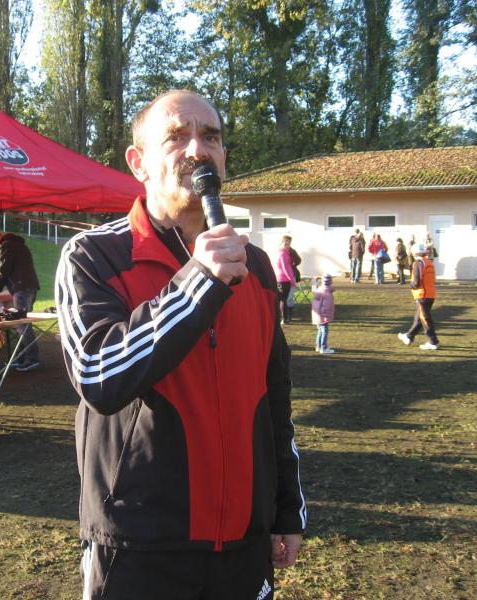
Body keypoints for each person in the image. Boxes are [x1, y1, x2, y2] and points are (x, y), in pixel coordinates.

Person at [55, 90, 306, 600]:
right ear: (138, 163)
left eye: (211, 137)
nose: (197, 149)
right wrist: (199, 282)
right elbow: (98, 376)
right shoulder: (93, 256)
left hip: (243, 541)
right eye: (176, 136)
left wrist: (286, 509)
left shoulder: (256, 267)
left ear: (224, 157)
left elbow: (274, 400)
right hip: (139, 543)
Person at [0, 228, 41, 371]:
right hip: (29, 286)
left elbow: (4, 270)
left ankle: (32, 359)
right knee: (22, 324)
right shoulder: (17, 244)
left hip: (22, 288)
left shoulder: (5, 245)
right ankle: (21, 357)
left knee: (21, 325)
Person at [397, 243, 440, 350]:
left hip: (422, 294)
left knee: (424, 318)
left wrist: (411, 285)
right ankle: (409, 336)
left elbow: (416, 281)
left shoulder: (418, 263)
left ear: (414, 252)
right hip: (430, 293)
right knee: (419, 317)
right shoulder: (428, 262)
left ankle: (433, 341)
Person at [274, 235, 297, 324]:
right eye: (286, 243)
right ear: (283, 243)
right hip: (284, 280)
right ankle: (283, 318)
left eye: (289, 243)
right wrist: (291, 280)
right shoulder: (283, 254)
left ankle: (282, 318)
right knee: (283, 300)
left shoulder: (280, 253)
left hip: (280, 279)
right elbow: (285, 268)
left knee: (281, 299)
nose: (288, 246)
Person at [311, 274, 335, 354]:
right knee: (324, 331)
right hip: (323, 315)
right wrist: (326, 317)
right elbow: (327, 306)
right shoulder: (327, 293)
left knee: (320, 331)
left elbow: (313, 288)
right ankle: (323, 348)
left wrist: (314, 281)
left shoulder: (319, 289)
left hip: (317, 314)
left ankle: (318, 346)